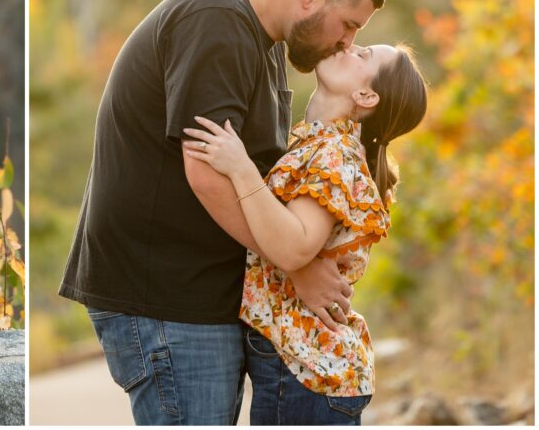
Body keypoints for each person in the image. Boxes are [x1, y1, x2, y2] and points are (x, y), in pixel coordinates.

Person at [59, 0, 387, 424]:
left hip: (195, 295)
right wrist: (295, 267)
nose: (348, 42)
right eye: (348, 25)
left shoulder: (265, 41)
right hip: (164, 296)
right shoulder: (216, 18)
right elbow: (209, 173)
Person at [182, 42, 427, 424]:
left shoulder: (335, 154)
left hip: (308, 375)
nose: (350, 45)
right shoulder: (316, 144)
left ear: (365, 95)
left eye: (363, 55)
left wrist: (240, 167)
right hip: (303, 370)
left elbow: (295, 248)